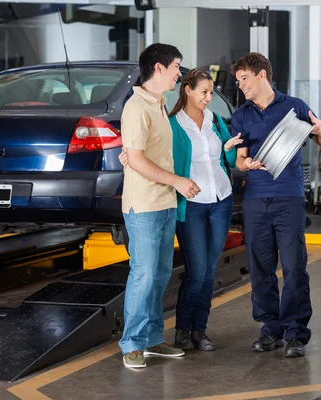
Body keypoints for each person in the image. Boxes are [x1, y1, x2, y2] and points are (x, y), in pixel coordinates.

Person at [120, 69, 242, 352]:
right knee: (196, 272)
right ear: (187, 90)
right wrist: (127, 156)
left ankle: (200, 330)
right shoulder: (172, 124)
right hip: (192, 205)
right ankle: (182, 330)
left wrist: (231, 148)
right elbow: (152, 154)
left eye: (211, 93)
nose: (209, 98)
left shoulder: (214, 120)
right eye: (204, 92)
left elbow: (230, 158)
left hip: (220, 200)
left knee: (209, 272)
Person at [230, 52, 321, 358]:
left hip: (288, 196)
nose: (241, 86)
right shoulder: (242, 115)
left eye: (244, 79)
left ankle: (296, 333)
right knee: (261, 267)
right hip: (256, 199)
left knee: (293, 265)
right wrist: (245, 163)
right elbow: (239, 158)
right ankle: (270, 329)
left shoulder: (295, 106)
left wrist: (317, 130)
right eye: (238, 82)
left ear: (262, 75)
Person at [119, 43, 201, 369]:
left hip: (164, 204)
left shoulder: (160, 105)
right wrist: (178, 181)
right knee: (144, 274)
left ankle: (153, 338)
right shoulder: (137, 107)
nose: (179, 73)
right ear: (159, 68)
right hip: (144, 205)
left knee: (160, 274)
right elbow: (137, 159)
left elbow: (141, 153)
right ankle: (132, 343)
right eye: (177, 67)